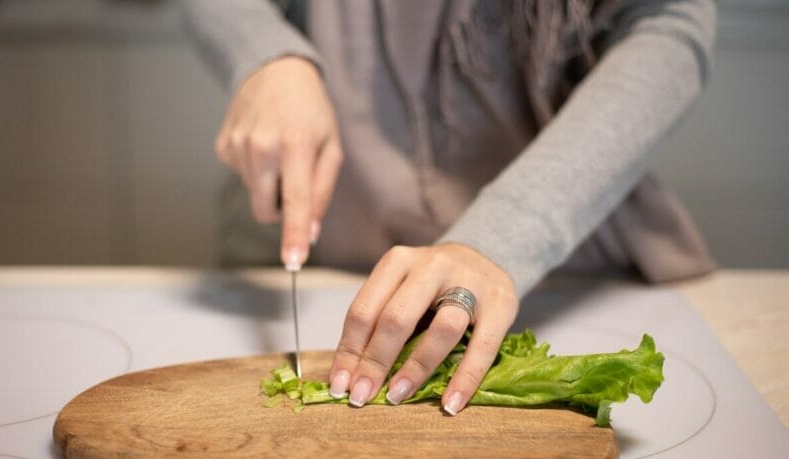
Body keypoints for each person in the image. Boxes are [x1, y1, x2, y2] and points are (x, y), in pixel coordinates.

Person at [182, 0, 716, 415]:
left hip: (561, 277)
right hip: (320, 257)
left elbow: (665, 24)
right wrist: (265, 55)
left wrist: (507, 236)